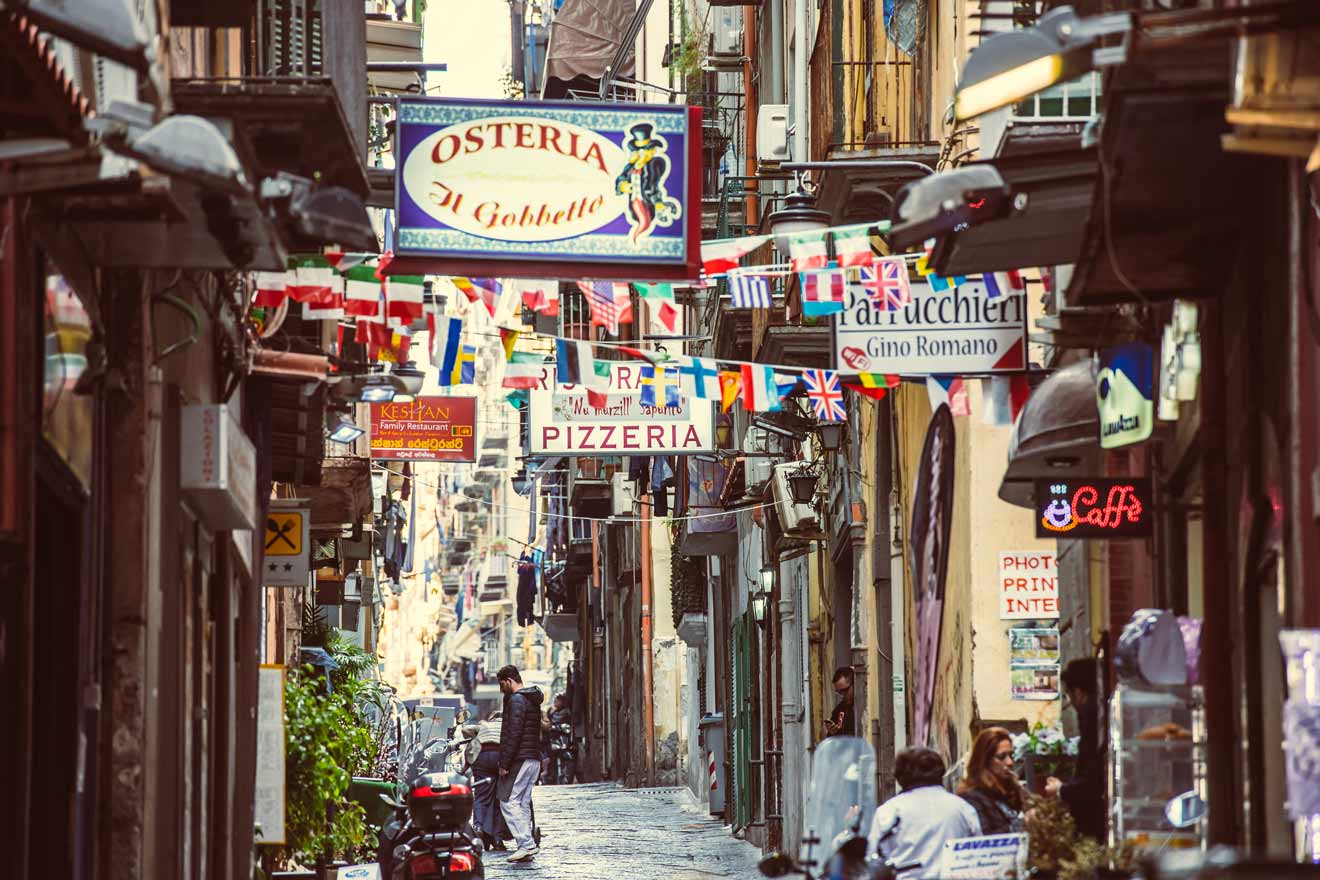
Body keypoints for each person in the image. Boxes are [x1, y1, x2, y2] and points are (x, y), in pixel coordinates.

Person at [868, 748, 981, 880]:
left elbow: (873, 858)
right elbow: (977, 854)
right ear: (940, 771)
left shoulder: (888, 811)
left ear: (900, 776)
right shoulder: (962, 808)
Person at [1045, 658, 1105, 840]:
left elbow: (1092, 780)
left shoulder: (1091, 715)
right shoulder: (1100, 711)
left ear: (1078, 692)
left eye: (1068, 695)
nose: (1070, 703)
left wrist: (1060, 789)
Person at [496, 665, 544, 862]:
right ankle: (526, 846)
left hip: (520, 758)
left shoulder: (516, 700)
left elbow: (513, 733)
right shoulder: (531, 700)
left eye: (502, 685)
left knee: (507, 801)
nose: (501, 690)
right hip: (533, 757)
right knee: (522, 802)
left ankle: (526, 844)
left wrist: (505, 762)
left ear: (509, 680)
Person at [957, 727, 1027, 835]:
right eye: (1001, 757)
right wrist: (1022, 824)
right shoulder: (971, 797)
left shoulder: (1010, 788)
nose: (1010, 762)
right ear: (985, 760)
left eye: (1011, 755)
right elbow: (986, 839)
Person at [461, 710, 511, 851]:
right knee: (499, 797)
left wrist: (479, 731)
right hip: (500, 757)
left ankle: (478, 826)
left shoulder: (484, 725)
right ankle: (497, 838)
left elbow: (466, 729)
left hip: (481, 756)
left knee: (481, 796)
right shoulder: (508, 725)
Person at [824, 667, 855, 738]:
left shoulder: (861, 707)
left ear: (854, 684)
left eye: (845, 690)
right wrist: (831, 732)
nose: (842, 695)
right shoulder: (840, 709)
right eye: (839, 692)